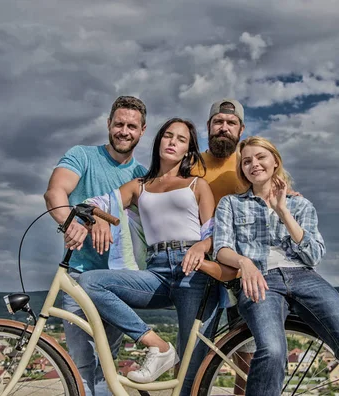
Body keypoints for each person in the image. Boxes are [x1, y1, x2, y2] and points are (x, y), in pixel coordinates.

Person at [213, 136, 339, 395]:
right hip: (260, 280)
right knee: (272, 351)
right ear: (242, 169)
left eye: (260, 157)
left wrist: (283, 211)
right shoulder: (231, 204)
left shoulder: (300, 204)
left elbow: (314, 255)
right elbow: (221, 247)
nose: (254, 164)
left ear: (275, 162)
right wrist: (243, 262)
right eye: (246, 161)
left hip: (303, 277)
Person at [78, 118, 219, 394]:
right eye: (168, 136)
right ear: (158, 141)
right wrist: (99, 218)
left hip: (194, 271)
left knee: (192, 372)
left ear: (188, 151)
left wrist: (201, 247)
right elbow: (98, 203)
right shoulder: (139, 185)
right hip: (156, 272)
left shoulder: (197, 185)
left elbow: (214, 234)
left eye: (181, 139)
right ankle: (157, 345)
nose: (172, 142)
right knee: (90, 282)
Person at [44, 96, 148, 396]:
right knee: (82, 366)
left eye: (132, 126)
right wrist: (74, 223)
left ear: (142, 131)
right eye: (119, 124)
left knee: (106, 365)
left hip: (120, 280)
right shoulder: (83, 156)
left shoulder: (141, 176)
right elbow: (55, 193)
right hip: (79, 276)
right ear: (108, 125)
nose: (124, 131)